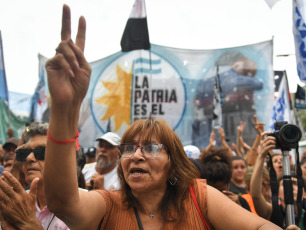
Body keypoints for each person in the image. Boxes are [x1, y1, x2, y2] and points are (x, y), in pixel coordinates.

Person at [42, 5, 281, 229]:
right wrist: (64, 109)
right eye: (128, 148)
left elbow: (261, 225)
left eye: (150, 148)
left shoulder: (200, 198)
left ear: (172, 161)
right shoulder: (107, 204)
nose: (135, 156)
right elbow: (63, 204)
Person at [0, 122, 69, 229]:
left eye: (41, 151)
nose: (29, 158)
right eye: (26, 152)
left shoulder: (83, 204)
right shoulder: (19, 201)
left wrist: (28, 223)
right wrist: (15, 167)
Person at [250, 132, 306, 230]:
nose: (289, 186)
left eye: (295, 183)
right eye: (283, 184)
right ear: (277, 193)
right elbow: (256, 195)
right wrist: (261, 155)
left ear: (305, 194)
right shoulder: (271, 212)